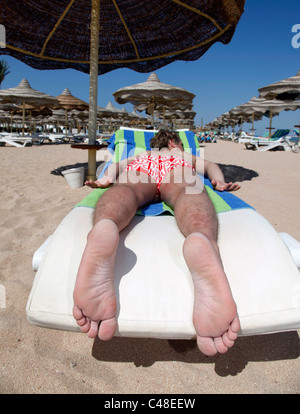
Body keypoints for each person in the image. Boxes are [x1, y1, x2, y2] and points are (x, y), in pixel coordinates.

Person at [73, 131, 241, 356]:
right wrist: (217, 181)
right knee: (187, 192)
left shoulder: (143, 155)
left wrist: (106, 180)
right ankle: (202, 240)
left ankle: (106, 225)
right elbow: (209, 165)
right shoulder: (181, 156)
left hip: (142, 170)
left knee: (126, 190)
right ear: (174, 143)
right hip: (176, 171)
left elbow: (114, 166)